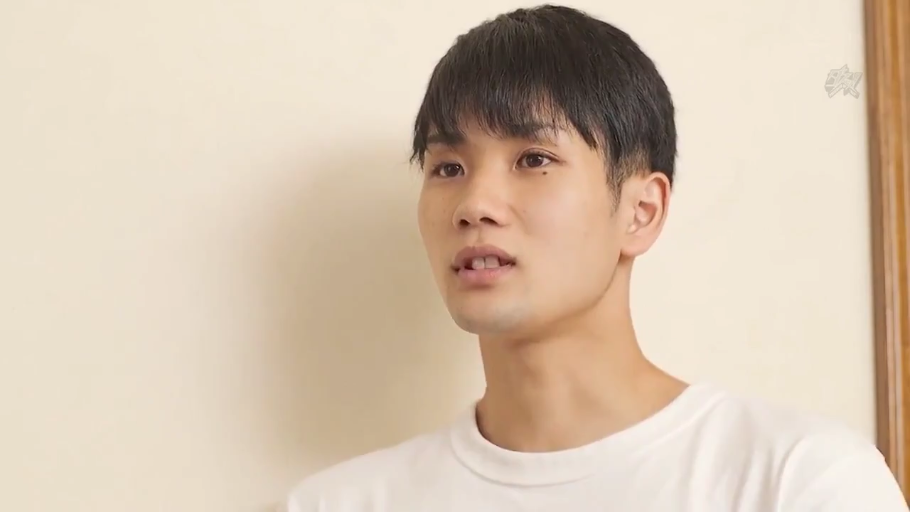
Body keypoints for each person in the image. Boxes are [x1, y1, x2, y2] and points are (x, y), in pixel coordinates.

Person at [284, 4, 909, 511]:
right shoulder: (337, 503)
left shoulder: (798, 480)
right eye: (448, 168)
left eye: (534, 159)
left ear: (641, 211)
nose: (474, 205)